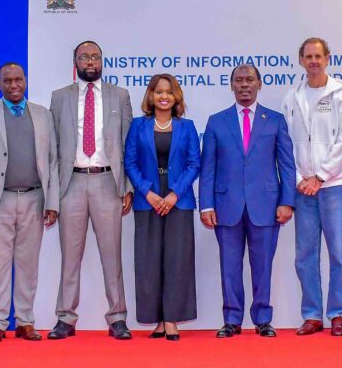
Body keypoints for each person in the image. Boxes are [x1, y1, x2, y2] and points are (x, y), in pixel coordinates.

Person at [200, 64, 296, 339]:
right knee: (229, 267)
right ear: (231, 85)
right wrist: (206, 205)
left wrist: (287, 202)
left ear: (259, 84)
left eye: (249, 80)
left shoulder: (275, 120)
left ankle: (263, 319)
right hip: (226, 206)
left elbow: (286, 165)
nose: (244, 85)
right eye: (239, 80)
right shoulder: (216, 121)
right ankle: (231, 319)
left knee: (263, 266)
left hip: (266, 205)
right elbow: (208, 167)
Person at [49, 40, 134, 341]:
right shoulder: (59, 97)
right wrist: (52, 194)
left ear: (102, 61)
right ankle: (65, 318)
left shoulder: (119, 95)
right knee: (70, 256)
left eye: (95, 57)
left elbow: (128, 145)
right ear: (75, 62)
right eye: (84, 57)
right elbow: (53, 147)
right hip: (70, 183)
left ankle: (118, 317)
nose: (90, 61)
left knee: (112, 255)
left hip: (107, 182)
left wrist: (126, 186)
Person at [0, 63, 59, 344]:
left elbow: (53, 161)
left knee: (28, 264)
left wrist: (52, 201)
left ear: (25, 81)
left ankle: (25, 321)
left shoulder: (43, 114)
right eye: (7, 81)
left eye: (18, 80)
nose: (13, 85)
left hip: (35, 197)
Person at [282, 37, 342, 337]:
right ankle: (312, 315)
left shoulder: (341, 94)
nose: (313, 61)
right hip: (303, 188)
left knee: (338, 253)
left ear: (327, 59)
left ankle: (337, 313)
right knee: (305, 255)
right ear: (301, 60)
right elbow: (285, 143)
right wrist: (300, 178)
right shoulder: (292, 97)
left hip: (334, 185)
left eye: (318, 56)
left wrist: (321, 176)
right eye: (308, 56)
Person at [124, 74, 200, 341]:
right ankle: (157, 319)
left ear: (176, 96)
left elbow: (194, 164)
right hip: (148, 201)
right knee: (149, 261)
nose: (164, 96)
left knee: (177, 260)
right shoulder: (138, 126)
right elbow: (130, 162)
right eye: (158, 92)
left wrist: (174, 194)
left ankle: (171, 319)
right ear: (151, 96)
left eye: (169, 92)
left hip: (179, 200)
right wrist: (148, 192)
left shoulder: (187, 127)